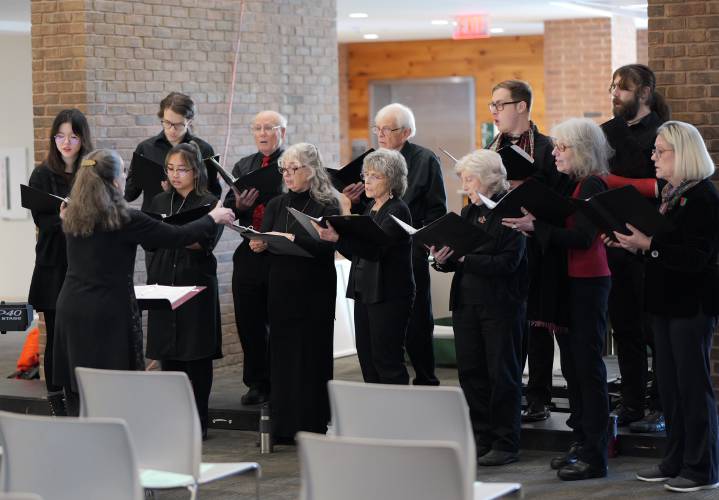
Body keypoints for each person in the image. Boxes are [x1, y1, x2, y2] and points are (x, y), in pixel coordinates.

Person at [52, 149, 235, 416]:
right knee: (113, 388)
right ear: (115, 180)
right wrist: (212, 218)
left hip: (71, 308)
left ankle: (83, 443)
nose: (126, 177)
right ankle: (115, 444)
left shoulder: (72, 215)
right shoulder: (124, 218)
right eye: (124, 171)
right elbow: (177, 236)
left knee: (79, 387)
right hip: (107, 311)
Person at [606, 121, 719, 493]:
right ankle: (676, 459)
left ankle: (702, 468)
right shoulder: (671, 194)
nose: (652, 157)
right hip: (665, 303)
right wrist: (635, 246)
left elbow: (697, 257)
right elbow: (663, 252)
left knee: (692, 387)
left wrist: (649, 245)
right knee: (669, 388)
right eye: (654, 150)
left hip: (691, 305)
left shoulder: (702, 196)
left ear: (682, 153)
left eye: (660, 151)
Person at [503, 118, 612, 481]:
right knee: (575, 370)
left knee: (588, 369)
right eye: (556, 146)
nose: (555, 153)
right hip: (573, 281)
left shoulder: (592, 182)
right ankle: (580, 443)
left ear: (581, 150)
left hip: (588, 282)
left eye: (563, 148)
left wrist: (538, 227)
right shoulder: (576, 183)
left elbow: (583, 238)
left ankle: (595, 455)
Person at [430, 149, 527, 466]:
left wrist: (463, 259)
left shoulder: (513, 211)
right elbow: (457, 258)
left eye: (469, 179)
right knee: (471, 373)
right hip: (467, 303)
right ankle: (481, 437)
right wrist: (443, 260)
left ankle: (505, 442)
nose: (465, 186)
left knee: (502, 374)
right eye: (463, 179)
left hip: (500, 304)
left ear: (489, 179)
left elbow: (508, 263)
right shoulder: (470, 212)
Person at [487, 79, 571, 423]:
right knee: (510, 325)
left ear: (521, 106)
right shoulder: (491, 150)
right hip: (503, 242)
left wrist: (529, 187)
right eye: (492, 106)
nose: (494, 112)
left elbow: (560, 197)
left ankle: (539, 396)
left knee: (538, 323)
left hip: (539, 246)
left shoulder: (548, 147)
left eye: (499, 105)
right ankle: (510, 394)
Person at [250, 143, 339, 443]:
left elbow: (328, 248)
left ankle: (313, 423)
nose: (287, 175)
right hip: (282, 289)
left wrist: (292, 238)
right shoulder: (276, 204)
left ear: (311, 171)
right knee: (283, 358)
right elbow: (268, 240)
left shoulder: (327, 205)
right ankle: (284, 425)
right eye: (283, 170)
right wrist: (260, 243)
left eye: (293, 169)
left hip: (314, 290)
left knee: (311, 357)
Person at [602, 64, 671, 433]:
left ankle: (660, 406)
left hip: (649, 246)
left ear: (644, 93)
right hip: (613, 244)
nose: (614, 94)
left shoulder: (662, 133)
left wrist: (613, 182)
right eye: (612, 87)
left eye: (622, 88)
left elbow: (662, 186)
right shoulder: (606, 133)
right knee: (625, 330)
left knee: (654, 333)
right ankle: (631, 402)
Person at [314, 149, 415, 385]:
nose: (366, 181)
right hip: (365, 290)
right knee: (368, 360)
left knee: (387, 361)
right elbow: (356, 253)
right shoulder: (372, 208)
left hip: (389, 294)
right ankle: (375, 415)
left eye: (375, 176)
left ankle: (397, 418)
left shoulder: (397, 209)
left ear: (392, 179)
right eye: (366, 174)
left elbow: (375, 250)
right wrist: (337, 237)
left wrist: (339, 237)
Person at [145, 142, 223, 438]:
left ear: (196, 171)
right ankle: (175, 421)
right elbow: (149, 239)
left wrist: (171, 234)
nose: (175, 175)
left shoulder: (210, 202)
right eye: (170, 169)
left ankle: (198, 423)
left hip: (196, 282)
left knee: (196, 355)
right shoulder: (159, 201)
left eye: (182, 169)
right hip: (165, 279)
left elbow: (203, 242)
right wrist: (171, 234)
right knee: (170, 355)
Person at [371, 103, 447, 386]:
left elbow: (437, 209)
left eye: (386, 129)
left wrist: (422, 242)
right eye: (376, 129)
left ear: (406, 132)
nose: (379, 134)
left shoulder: (425, 160)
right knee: (384, 327)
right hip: (379, 253)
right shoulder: (375, 160)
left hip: (411, 251)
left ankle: (426, 378)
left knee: (417, 321)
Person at [27, 109, 93, 416]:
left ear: (83, 139)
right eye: (60, 136)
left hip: (86, 263)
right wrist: (65, 218)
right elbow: (41, 218)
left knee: (84, 331)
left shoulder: (91, 171)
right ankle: (56, 398)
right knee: (56, 332)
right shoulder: (42, 174)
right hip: (54, 263)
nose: (66, 142)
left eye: (73, 136)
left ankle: (84, 395)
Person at [223, 110, 287, 405]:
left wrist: (269, 238)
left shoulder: (291, 163)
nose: (262, 133)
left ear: (282, 133)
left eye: (269, 128)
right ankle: (257, 382)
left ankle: (280, 380)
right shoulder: (244, 165)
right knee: (249, 320)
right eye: (257, 128)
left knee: (278, 319)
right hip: (249, 249)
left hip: (280, 252)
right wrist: (240, 205)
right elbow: (228, 209)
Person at [125, 92, 221, 210]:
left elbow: (213, 194)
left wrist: (173, 193)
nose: (171, 130)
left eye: (178, 125)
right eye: (167, 123)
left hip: (191, 220)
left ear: (189, 122)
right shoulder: (145, 148)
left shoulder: (204, 149)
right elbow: (129, 194)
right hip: (154, 217)